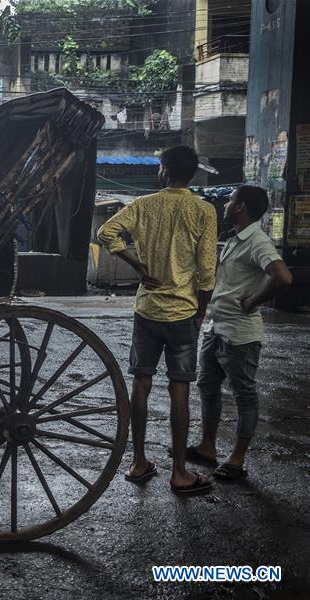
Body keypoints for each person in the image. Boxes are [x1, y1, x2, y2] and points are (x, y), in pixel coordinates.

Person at [97, 145, 218, 495]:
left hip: (147, 310)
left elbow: (106, 233)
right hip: (183, 313)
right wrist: (201, 308)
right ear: (193, 174)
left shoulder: (144, 205)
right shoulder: (203, 210)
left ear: (163, 171)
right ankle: (180, 472)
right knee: (179, 389)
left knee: (141, 384)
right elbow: (207, 270)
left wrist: (137, 266)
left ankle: (138, 462)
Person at [188, 186, 292, 480]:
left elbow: (283, 277)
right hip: (217, 327)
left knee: (244, 394)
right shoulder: (236, 238)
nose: (225, 204)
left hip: (240, 333)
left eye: (231, 200)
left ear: (242, 206)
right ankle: (208, 446)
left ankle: (237, 459)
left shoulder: (257, 241)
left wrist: (254, 300)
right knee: (207, 387)